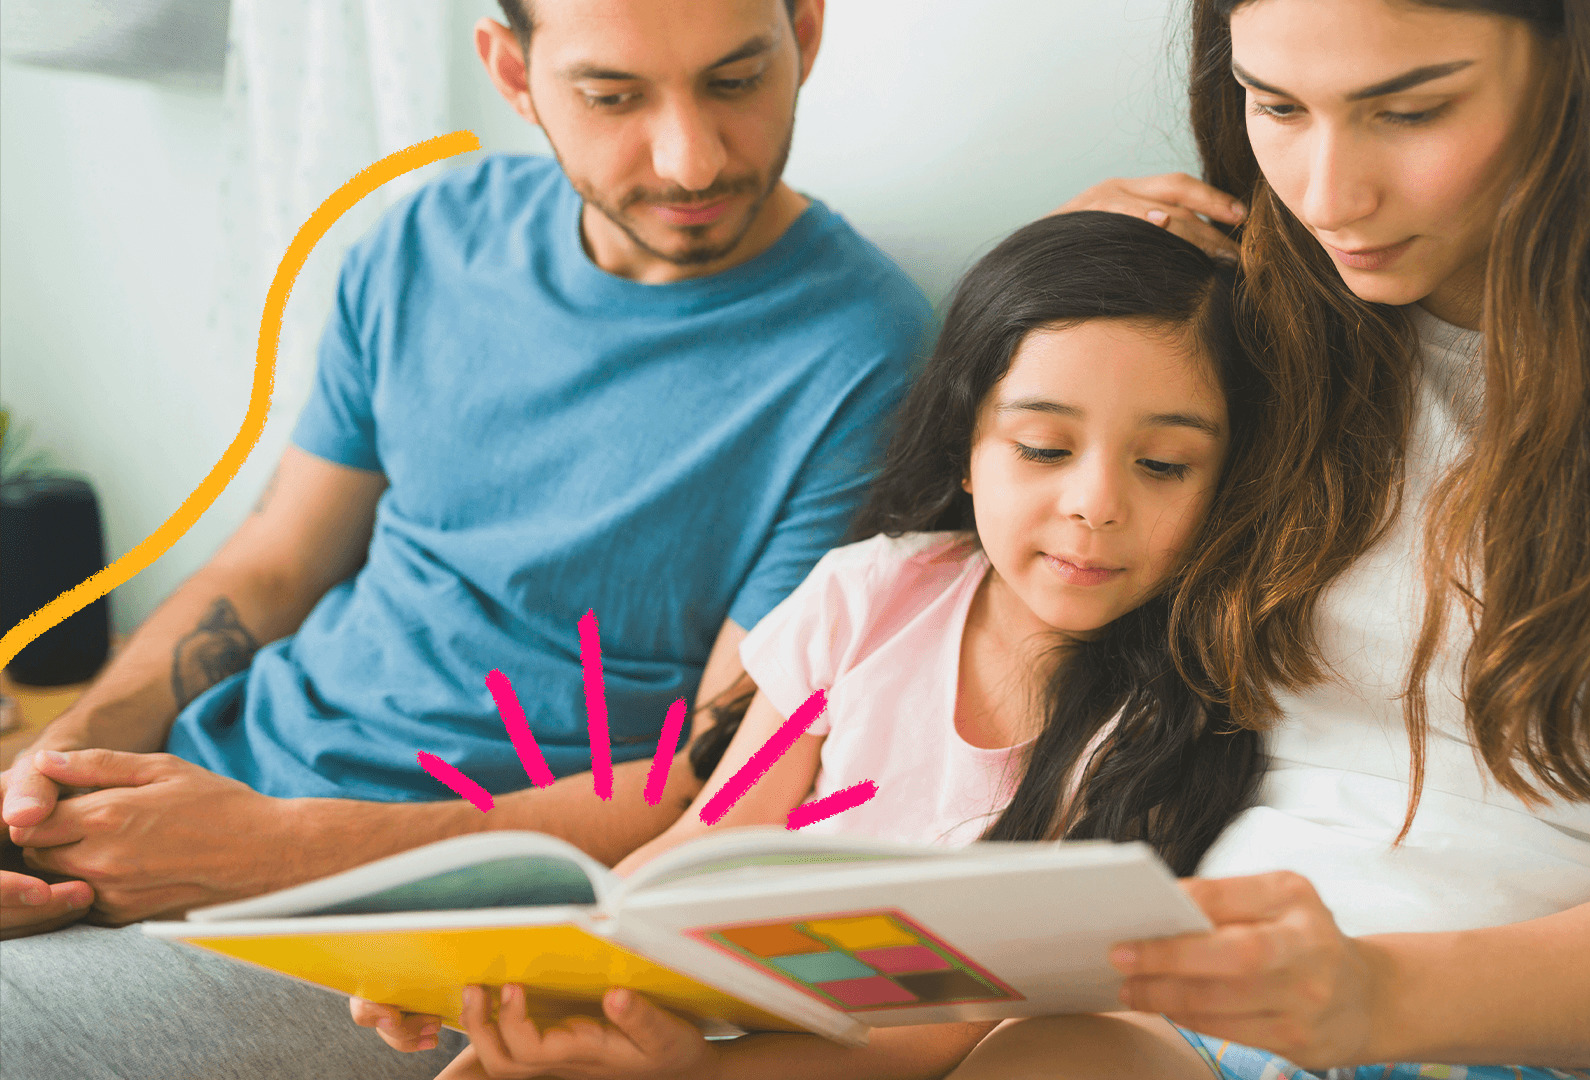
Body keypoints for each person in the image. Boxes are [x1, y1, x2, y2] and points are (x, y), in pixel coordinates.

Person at [944, 1, 1590, 1079]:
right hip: (1192, 1004)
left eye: (1409, 111)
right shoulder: (1242, 304)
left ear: (1585, 72)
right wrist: (1050, 303)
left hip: (1538, 1034)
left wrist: (1374, 998)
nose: (1326, 195)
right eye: (1275, 105)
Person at [0, 1, 934, 1076]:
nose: (690, 159)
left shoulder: (868, 356)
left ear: (805, 35)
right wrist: (54, 767)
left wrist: (271, 849)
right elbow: (272, 564)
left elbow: (710, 782)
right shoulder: (420, 239)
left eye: (734, 80)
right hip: (195, 792)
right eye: (612, 96)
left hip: (418, 935)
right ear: (512, 72)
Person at [352, 210, 1293, 1079]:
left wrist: (693, 1071)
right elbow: (712, 837)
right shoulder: (872, 593)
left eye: (1164, 465)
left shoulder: (1165, 714)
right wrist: (489, 969)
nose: (1096, 502)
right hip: (722, 1008)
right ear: (968, 447)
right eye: (1043, 448)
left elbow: (948, 1027)